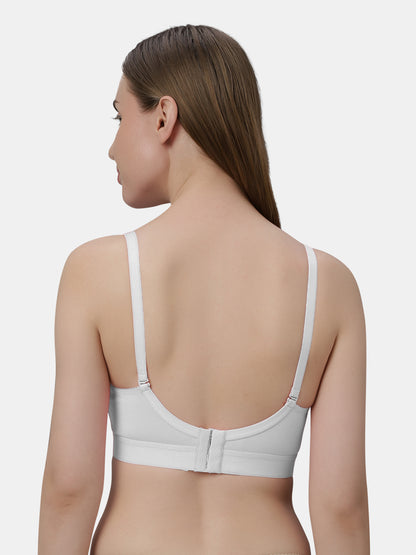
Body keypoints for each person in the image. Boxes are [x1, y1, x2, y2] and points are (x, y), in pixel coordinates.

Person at [38, 24, 370, 555]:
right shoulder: (327, 285)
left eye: (120, 118)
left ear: (163, 117)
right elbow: (342, 508)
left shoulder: (96, 272)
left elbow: (68, 489)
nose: (111, 148)